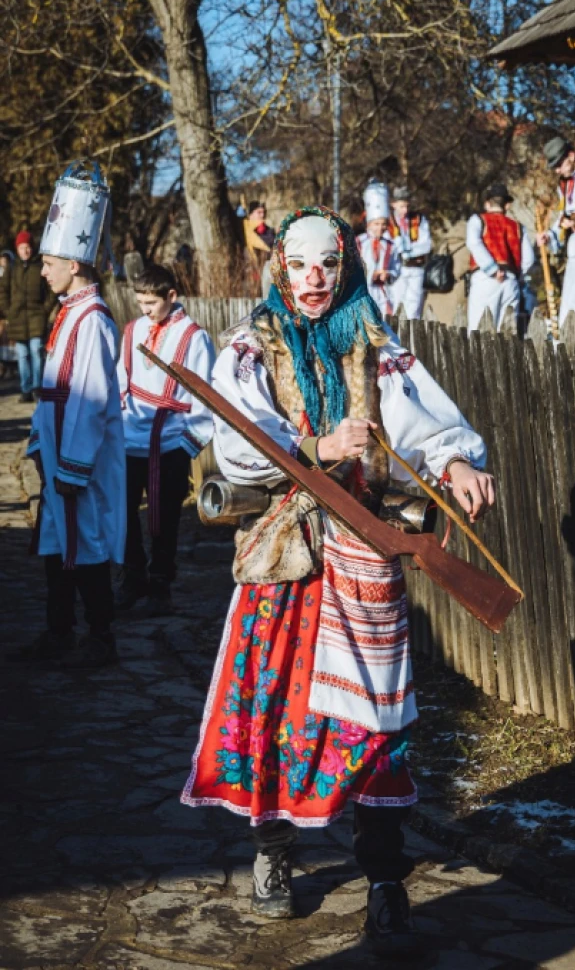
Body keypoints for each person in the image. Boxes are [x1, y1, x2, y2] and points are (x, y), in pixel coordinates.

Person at [181, 206, 495, 954]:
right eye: (301, 266)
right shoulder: (251, 347)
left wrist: (452, 460)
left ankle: (385, 878)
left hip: (361, 562)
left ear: (345, 265)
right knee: (273, 711)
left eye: (328, 265)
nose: (315, 281)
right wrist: (315, 444)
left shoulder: (373, 344)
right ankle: (274, 857)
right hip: (285, 560)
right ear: (281, 268)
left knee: (375, 726)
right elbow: (235, 442)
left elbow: (426, 422)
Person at [8, 161, 125, 669]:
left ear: (75, 264)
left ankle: (101, 637)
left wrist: (73, 465)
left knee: (85, 541)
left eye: (50, 262)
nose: (43, 270)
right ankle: (59, 629)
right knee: (56, 540)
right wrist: (40, 440)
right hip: (59, 451)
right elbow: (54, 390)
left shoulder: (92, 321)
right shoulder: (69, 315)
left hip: (80, 459)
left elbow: (91, 399)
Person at [115, 264, 215, 615]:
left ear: (171, 296)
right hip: (129, 441)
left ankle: (160, 585)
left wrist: (189, 442)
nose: (145, 310)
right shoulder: (133, 330)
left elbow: (205, 396)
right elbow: (120, 382)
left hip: (170, 441)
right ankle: (132, 575)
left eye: (151, 303)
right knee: (123, 513)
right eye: (140, 302)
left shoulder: (193, 337)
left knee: (165, 518)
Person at [466, 182, 534, 331]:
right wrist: (518, 276)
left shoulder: (478, 220)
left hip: (485, 278)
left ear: (487, 204)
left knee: (479, 331)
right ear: (507, 205)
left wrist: (492, 269)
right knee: (507, 334)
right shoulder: (518, 227)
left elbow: (474, 243)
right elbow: (529, 259)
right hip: (511, 282)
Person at [536, 136, 575, 328]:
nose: (557, 170)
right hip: (574, 253)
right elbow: (562, 217)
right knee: (568, 311)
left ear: (571, 156)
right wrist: (550, 235)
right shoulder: (563, 185)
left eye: (559, 164)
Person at [0, 231, 55, 402]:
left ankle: (37, 387)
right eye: (22, 247)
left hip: (36, 317)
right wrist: (8, 310)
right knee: (22, 355)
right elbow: (3, 290)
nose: (25, 251)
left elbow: (51, 291)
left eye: (28, 247)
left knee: (37, 351)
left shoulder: (40, 267)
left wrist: (45, 309)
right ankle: (25, 389)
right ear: (17, 249)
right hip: (17, 318)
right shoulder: (12, 268)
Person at [356, 181, 401, 318]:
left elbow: (396, 267)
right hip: (363, 292)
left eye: (383, 224)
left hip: (383, 293)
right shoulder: (359, 242)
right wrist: (370, 274)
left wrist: (388, 274)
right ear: (369, 223)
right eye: (376, 224)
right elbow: (352, 268)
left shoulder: (389, 245)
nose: (380, 228)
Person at [388, 186, 431, 319]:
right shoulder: (389, 222)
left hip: (416, 267)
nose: (405, 210)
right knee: (397, 302)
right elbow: (391, 245)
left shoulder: (418, 219)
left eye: (407, 206)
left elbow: (426, 245)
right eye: (401, 206)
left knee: (414, 305)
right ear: (393, 204)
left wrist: (408, 250)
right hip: (398, 268)